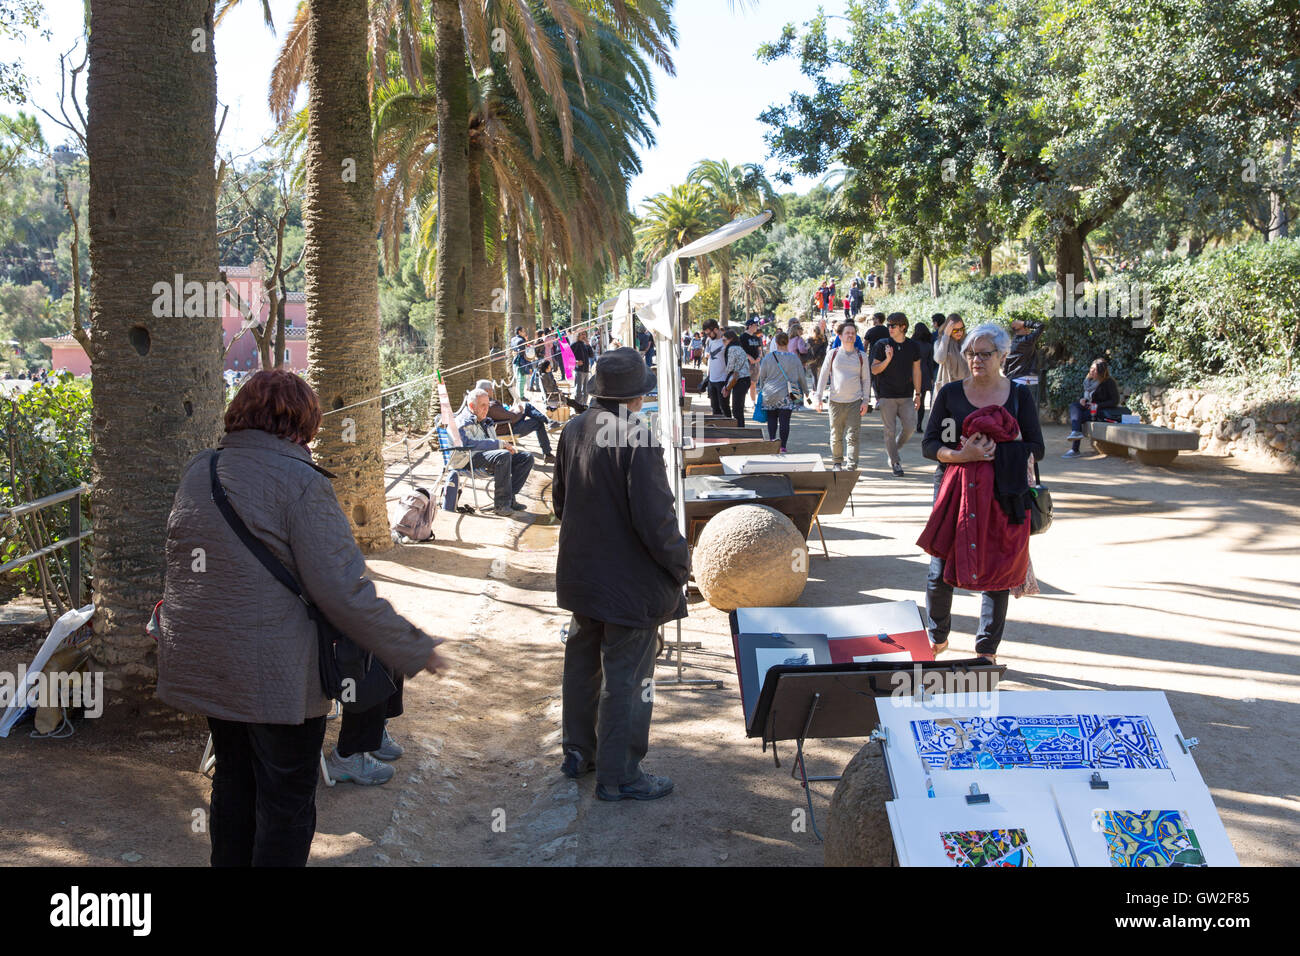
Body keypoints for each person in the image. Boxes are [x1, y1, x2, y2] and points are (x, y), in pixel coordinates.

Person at [157, 369, 446, 865]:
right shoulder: (301, 483)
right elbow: (342, 590)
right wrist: (411, 646)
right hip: (276, 676)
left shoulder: (199, 469)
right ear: (301, 425)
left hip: (209, 666)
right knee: (285, 801)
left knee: (233, 782)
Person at [553, 348, 688, 801]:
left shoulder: (573, 429)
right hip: (628, 587)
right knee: (628, 681)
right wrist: (680, 565)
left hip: (581, 576)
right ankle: (620, 775)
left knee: (583, 667)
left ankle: (578, 754)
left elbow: (560, 502)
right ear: (637, 395)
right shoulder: (637, 435)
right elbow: (657, 520)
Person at [919, 322, 1045, 663]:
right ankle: (937, 635)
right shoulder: (950, 394)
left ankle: (986, 650)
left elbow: (1038, 447)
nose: (977, 360)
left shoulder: (1018, 396)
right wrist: (961, 456)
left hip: (1003, 491)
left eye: (985, 354)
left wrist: (1004, 447)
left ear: (1002, 355)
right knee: (939, 565)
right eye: (971, 353)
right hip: (953, 489)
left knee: (998, 569)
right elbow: (929, 445)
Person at [454, 388, 535, 517]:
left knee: (526, 458)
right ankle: (501, 505)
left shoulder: (485, 421)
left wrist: (503, 447)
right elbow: (469, 444)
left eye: (487, 405)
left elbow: (492, 443)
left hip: (488, 457)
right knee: (502, 456)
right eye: (483, 405)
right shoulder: (462, 421)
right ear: (471, 406)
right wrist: (500, 445)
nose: (487, 409)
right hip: (468, 459)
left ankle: (510, 498)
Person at [870, 313, 923, 476]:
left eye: (893, 326)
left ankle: (893, 449)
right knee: (890, 431)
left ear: (903, 327)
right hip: (886, 394)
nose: (890, 329)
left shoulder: (913, 346)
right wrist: (888, 359)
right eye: (888, 325)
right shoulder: (882, 345)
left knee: (910, 427)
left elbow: (916, 370)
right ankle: (895, 462)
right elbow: (874, 369)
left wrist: (918, 393)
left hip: (906, 394)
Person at [814, 319, 871, 470]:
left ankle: (851, 466)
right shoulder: (832, 354)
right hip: (835, 401)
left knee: (853, 436)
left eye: (853, 333)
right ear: (840, 336)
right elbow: (823, 376)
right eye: (847, 333)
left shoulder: (862, 356)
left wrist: (865, 400)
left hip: (855, 402)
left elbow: (866, 380)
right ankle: (837, 463)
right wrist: (818, 397)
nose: (850, 336)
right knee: (836, 435)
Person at [474, 378, 556, 464]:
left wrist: (514, 410)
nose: (493, 392)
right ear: (487, 390)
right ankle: (548, 452)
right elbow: (511, 417)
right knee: (537, 422)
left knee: (526, 407)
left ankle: (549, 422)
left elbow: (503, 415)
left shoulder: (479, 403)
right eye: (491, 390)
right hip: (507, 428)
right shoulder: (490, 405)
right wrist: (520, 410)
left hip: (503, 425)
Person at [756, 331, 811, 453]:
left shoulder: (768, 357)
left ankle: (771, 441)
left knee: (771, 419)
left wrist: (761, 388)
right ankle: (783, 446)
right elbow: (801, 376)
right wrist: (806, 391)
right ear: (787, 342)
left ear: (776, 343)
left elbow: (762, 376)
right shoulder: (794, 358)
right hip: (787, 394)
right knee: (785, 421)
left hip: (770, 393)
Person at [1064, 359, 1120, 458]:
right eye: (1091, 368)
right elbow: (1088, 397)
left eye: (1095, 370)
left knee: (1078, 418)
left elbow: (1114, 401)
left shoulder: (1108, 382)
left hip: (1099, 411)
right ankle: (1075, 434)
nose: (1091, 371)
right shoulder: (1088, 381)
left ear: (1101, 372)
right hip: (1088, 407)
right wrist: (1083, 400)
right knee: (1074, 406)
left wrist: (1098, 405)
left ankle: (1075, 448)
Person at [719, 328, 751, 428]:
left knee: (737, 409)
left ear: (731, 339)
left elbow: (730, 367)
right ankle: (740, 429)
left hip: (739, 380)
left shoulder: (732, 348)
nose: (723, 343)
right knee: (739, 408)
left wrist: (726, 384)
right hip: (744, 379)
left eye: (724, 340)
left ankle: (739, 431)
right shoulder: (739, 347)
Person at [1004, 317, 1046, 385]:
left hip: (1011, 380)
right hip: (1027, 379)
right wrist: (1025, 323)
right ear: (1022, 328)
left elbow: (1004, 367)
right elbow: (1041, 326)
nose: (1028, 328)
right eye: (1026, 327)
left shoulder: (1009, 345)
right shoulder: (1027, 340)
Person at [933, 313, 969, 392]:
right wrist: (946, 336)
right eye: (955, 330)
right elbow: (940, 359)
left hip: (966, 387)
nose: (959, 332)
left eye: (961, 329)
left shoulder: (967, 343)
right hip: (948, 387)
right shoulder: (939, 342)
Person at [702, 319, 729, 416]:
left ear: (716, 329)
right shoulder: (709, 341)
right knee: (714, 408)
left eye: (709, 333)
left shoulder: (726, 341)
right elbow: (707, 356)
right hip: (712, 379)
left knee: (724, 407)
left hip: (723, 379)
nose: (708, 336)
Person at [913, 320, 935, 432]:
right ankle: (919, 425)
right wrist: (931, 377)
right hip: (925, 373)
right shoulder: (929, 346)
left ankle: (908, 422)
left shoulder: (911, 343)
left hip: (911, 372)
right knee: (921, 400)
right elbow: (930, 363)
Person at [739, 317, 764, 399]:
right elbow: (740, 350)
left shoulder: (757, 338)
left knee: (753, 383)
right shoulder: (742, 337)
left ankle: (753, 402)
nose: (757, 327)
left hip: (756, 364)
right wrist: (750, 358)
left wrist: (759, 357)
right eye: (755, 325)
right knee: (744, 384)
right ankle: (742, 403)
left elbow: (760, 349)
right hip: (745, 364)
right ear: (750, 326)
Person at [570, 330, 595, 405]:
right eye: (581, 334)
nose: (583, 335)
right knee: (578, 390)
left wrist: (588, 344)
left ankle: (584, 406)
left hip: (586, 371)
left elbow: (591, 355)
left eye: (585, 334)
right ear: (578, 335)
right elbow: (567, 357)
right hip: (579, 370)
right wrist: (576, 362)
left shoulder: (585, 345)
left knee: (586, 390)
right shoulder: (574, 345)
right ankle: (578, 406)